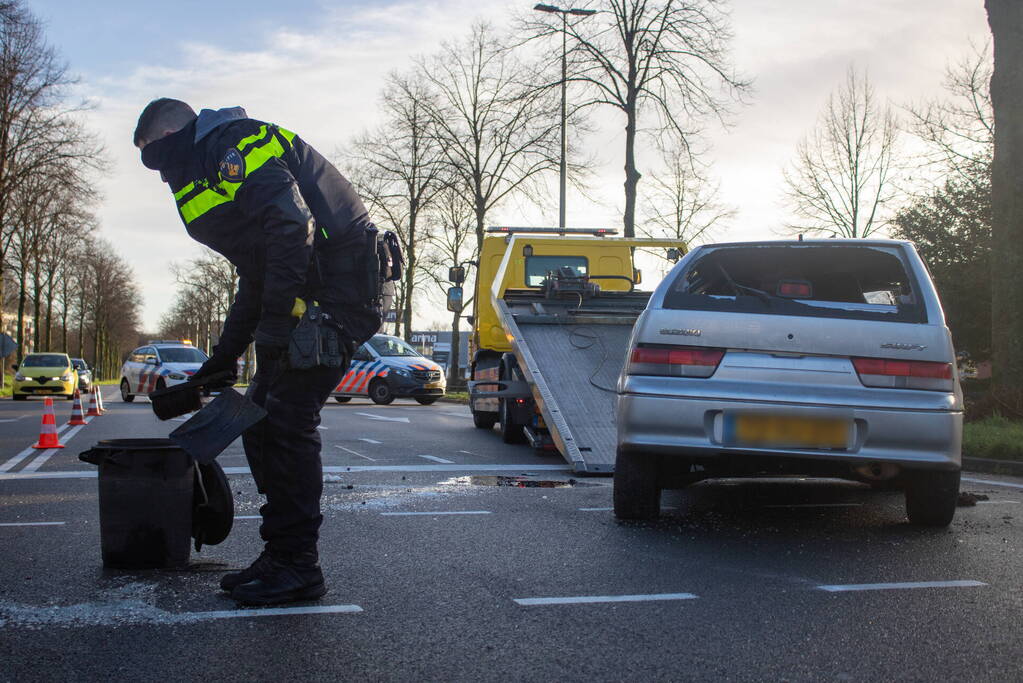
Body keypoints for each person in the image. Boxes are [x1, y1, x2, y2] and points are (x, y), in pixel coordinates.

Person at [134, 99, 381, 605]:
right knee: (261, 420)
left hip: (344, 287)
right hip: (315, 289)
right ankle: (283, 555)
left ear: (175, 136)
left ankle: (297, 567)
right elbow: (256, 270)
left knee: (287, 418)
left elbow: (293, 226)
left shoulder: (234, 145)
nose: (158, 175)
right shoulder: (200, 173)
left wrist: (272, 328)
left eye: (153, 156)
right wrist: (223, 358)